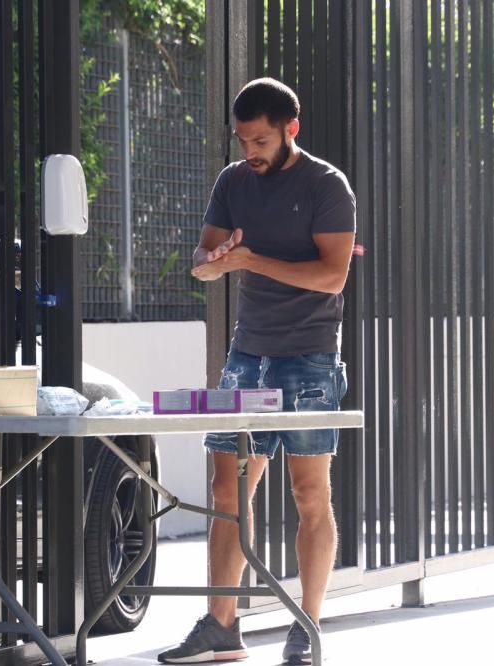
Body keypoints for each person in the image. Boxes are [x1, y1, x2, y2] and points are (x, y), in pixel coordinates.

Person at [157, 78, 356, 665]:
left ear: (291, 129)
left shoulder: (327, 186)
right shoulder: (233, 181)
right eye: (244, 139)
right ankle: (222, 625)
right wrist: (213, 264)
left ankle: (307, 627)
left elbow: (332, 276)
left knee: (308, 493)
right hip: (248, 357)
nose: (251, 150)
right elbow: (203, 255)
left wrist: (252, 261)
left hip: (311, 358)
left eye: (261, 139)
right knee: (227, 491)